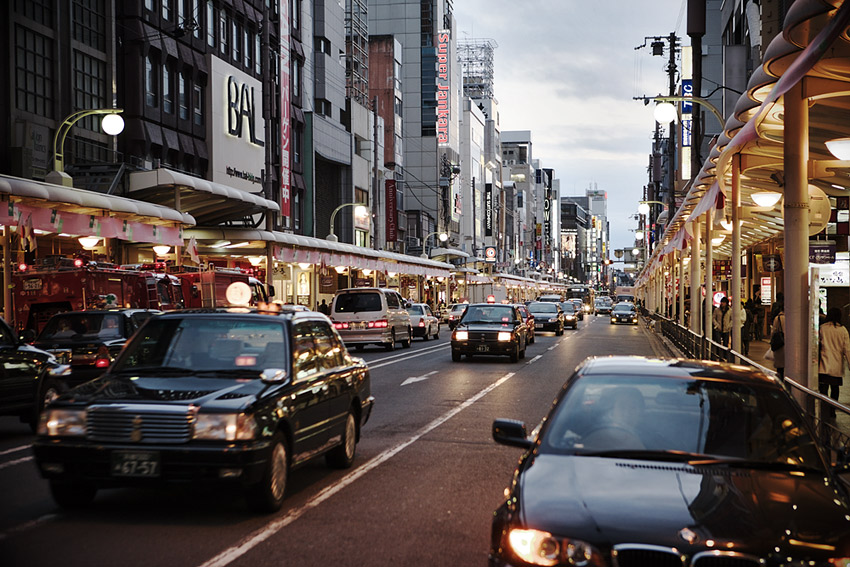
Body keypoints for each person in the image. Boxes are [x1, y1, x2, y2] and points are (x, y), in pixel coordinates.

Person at [818, 307, 850, 419]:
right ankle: (832, 411)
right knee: (835, 389)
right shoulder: (843, 330)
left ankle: (824, 410)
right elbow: (847, 349)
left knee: (823, 390)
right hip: (836, 366)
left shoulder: (822, 328)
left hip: (824, 364)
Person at [771, 301, 786, 379]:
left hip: (780, 345)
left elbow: (773, 332)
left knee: (780, 369)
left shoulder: (778, 318)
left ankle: (780, 385)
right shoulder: (792, 318)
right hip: (789, 346)